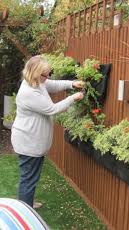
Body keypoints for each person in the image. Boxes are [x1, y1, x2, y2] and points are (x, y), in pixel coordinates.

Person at [11, 55, 84, 208]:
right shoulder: (29, 92)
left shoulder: (37, 82)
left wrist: (72, 84)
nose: (48, 77)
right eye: (46, 74)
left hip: (31, 140)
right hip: (28, 142)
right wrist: (73, 98)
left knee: (30, 177)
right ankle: (25, 210)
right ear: (36, 73)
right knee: (28, 179)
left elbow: (53, 84)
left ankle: (27, 202)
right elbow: (52, 109)